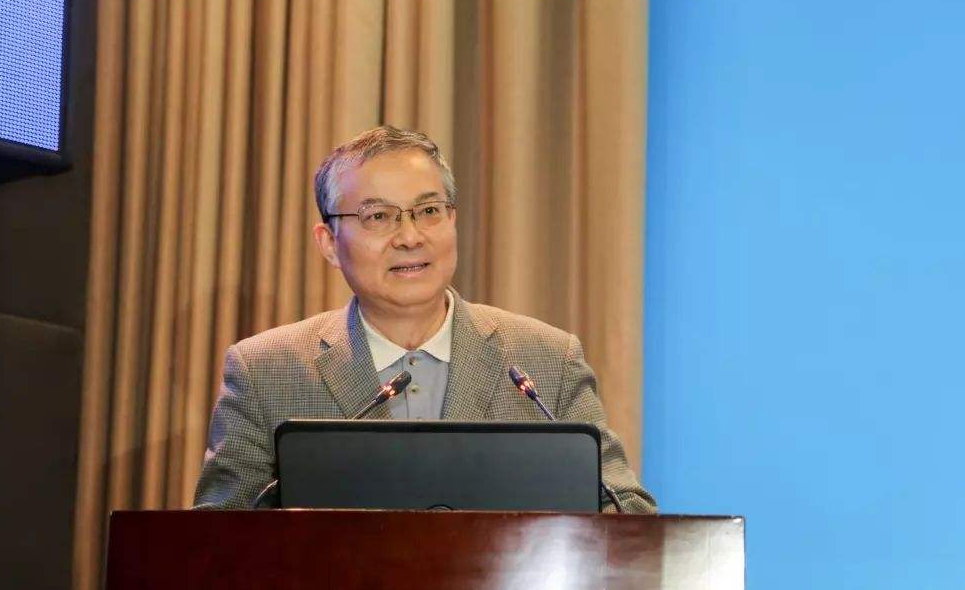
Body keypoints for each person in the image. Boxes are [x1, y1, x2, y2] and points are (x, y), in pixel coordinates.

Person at [194, 126, 656, 513]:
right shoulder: (265, 370)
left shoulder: (547, 360)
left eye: (429, 211)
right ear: (329, 243)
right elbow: (218, 542)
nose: (410, 237)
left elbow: (627, 512)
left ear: (452, 220)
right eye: (379, 216)